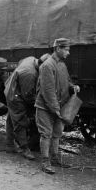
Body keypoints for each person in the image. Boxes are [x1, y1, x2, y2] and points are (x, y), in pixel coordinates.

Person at [35, 38, 80, 175]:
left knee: (57, 134)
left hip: (58, 108)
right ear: (58, 49)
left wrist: (73, 87)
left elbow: (66, 82)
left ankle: (54, 159)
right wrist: (55, 110)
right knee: (46, 134)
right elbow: (48, 91)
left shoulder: (62, 65)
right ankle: (45, 162)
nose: (68, 53)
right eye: (66, 50)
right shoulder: (47, 66)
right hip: (45, 107)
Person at [5, 54, 51, 160]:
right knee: (19, 121)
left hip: (13, 88)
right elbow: (28, 96)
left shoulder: (31, 59)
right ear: (41, 64)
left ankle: (9, 145)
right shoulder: (29, 74)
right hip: (15, 96)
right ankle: (25, 149)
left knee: (11, 119)